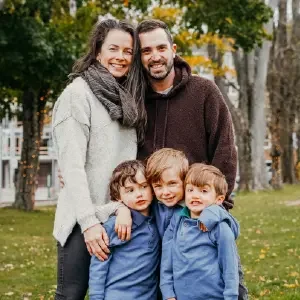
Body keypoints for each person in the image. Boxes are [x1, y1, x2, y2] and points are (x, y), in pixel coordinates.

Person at [52, 19, 146, 299]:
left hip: (120, 216)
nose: (120, 57)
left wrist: (122, 208)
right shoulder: (77, 95)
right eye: (113, 48)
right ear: (97, 52)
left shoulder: (128, 99)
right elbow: (72, 167)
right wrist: (89, 223)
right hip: (84, 220)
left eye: (128, 51)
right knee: (72, 294)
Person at [127, 19, 237, 211]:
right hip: (147, 214)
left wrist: (217, 207)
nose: (155, 56)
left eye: (161, 48)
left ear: (173, 49)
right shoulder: (133, 98)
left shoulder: (204, 92)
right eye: (146, 51)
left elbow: (224, 150)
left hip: (195, 212)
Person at [160, 163, 239, 300]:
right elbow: (167, 259)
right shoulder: (176, 222)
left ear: (219, 199)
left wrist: (231, 297)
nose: (195, 195)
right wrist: (168, 292)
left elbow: (230, 267)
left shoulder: (220, 228)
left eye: (203, 191)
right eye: (190, 190)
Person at [89, 160, 160, 300]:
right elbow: (99, 264)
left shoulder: (158, 219)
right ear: (118, 197)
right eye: (130, 190)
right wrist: (96, 297)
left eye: (144, 187)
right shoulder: (114, 225)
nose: (139, 194)